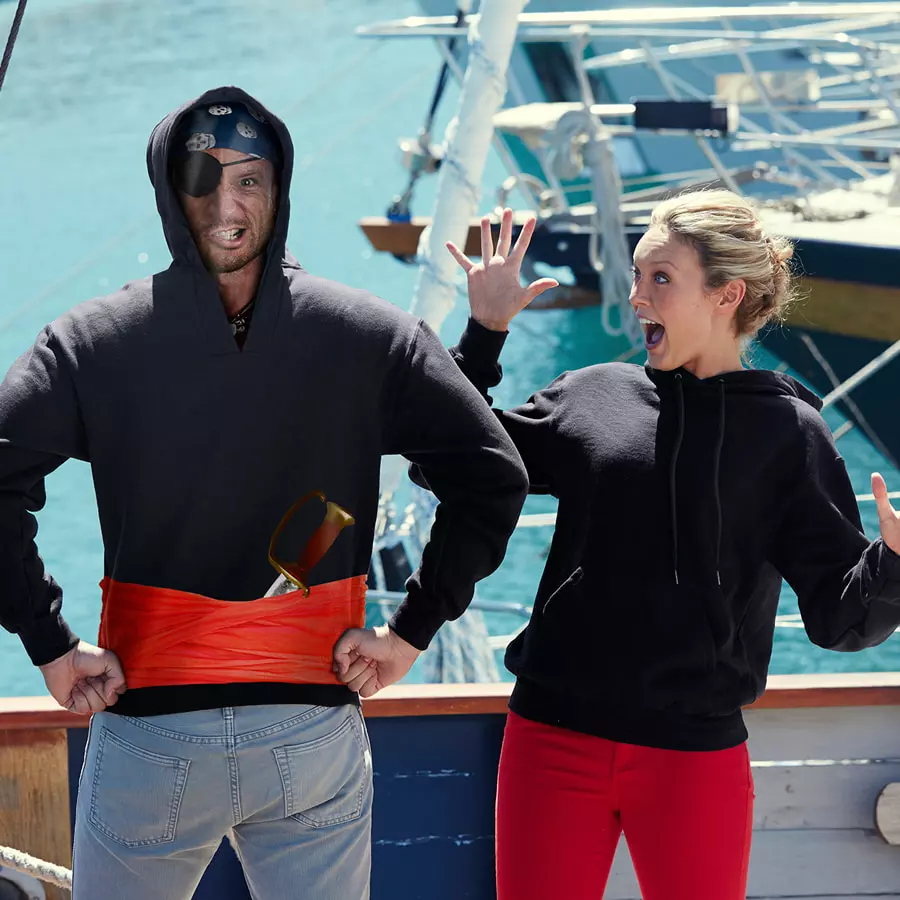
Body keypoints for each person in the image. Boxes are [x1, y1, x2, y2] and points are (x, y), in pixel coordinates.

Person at [0, 87, 528, 900]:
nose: (227, 205)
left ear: (277, 189)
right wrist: (410, 631)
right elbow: (491, 475)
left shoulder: (90, 342)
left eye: (247, 179)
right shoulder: (371, 335)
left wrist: (51, 644)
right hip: (309, 731)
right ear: (171, 191)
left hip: (152, 735)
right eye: (204, 180)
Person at [339, 193, 900, 900]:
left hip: (692, 759)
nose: (636, 296)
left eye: (660, 277)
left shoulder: (789, 435)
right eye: (636, 275)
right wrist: (484, 334)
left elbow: (842, 620)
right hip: (549, 739)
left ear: (727, 295)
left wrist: (893, 561)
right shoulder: (593, 396)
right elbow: (449, 464)